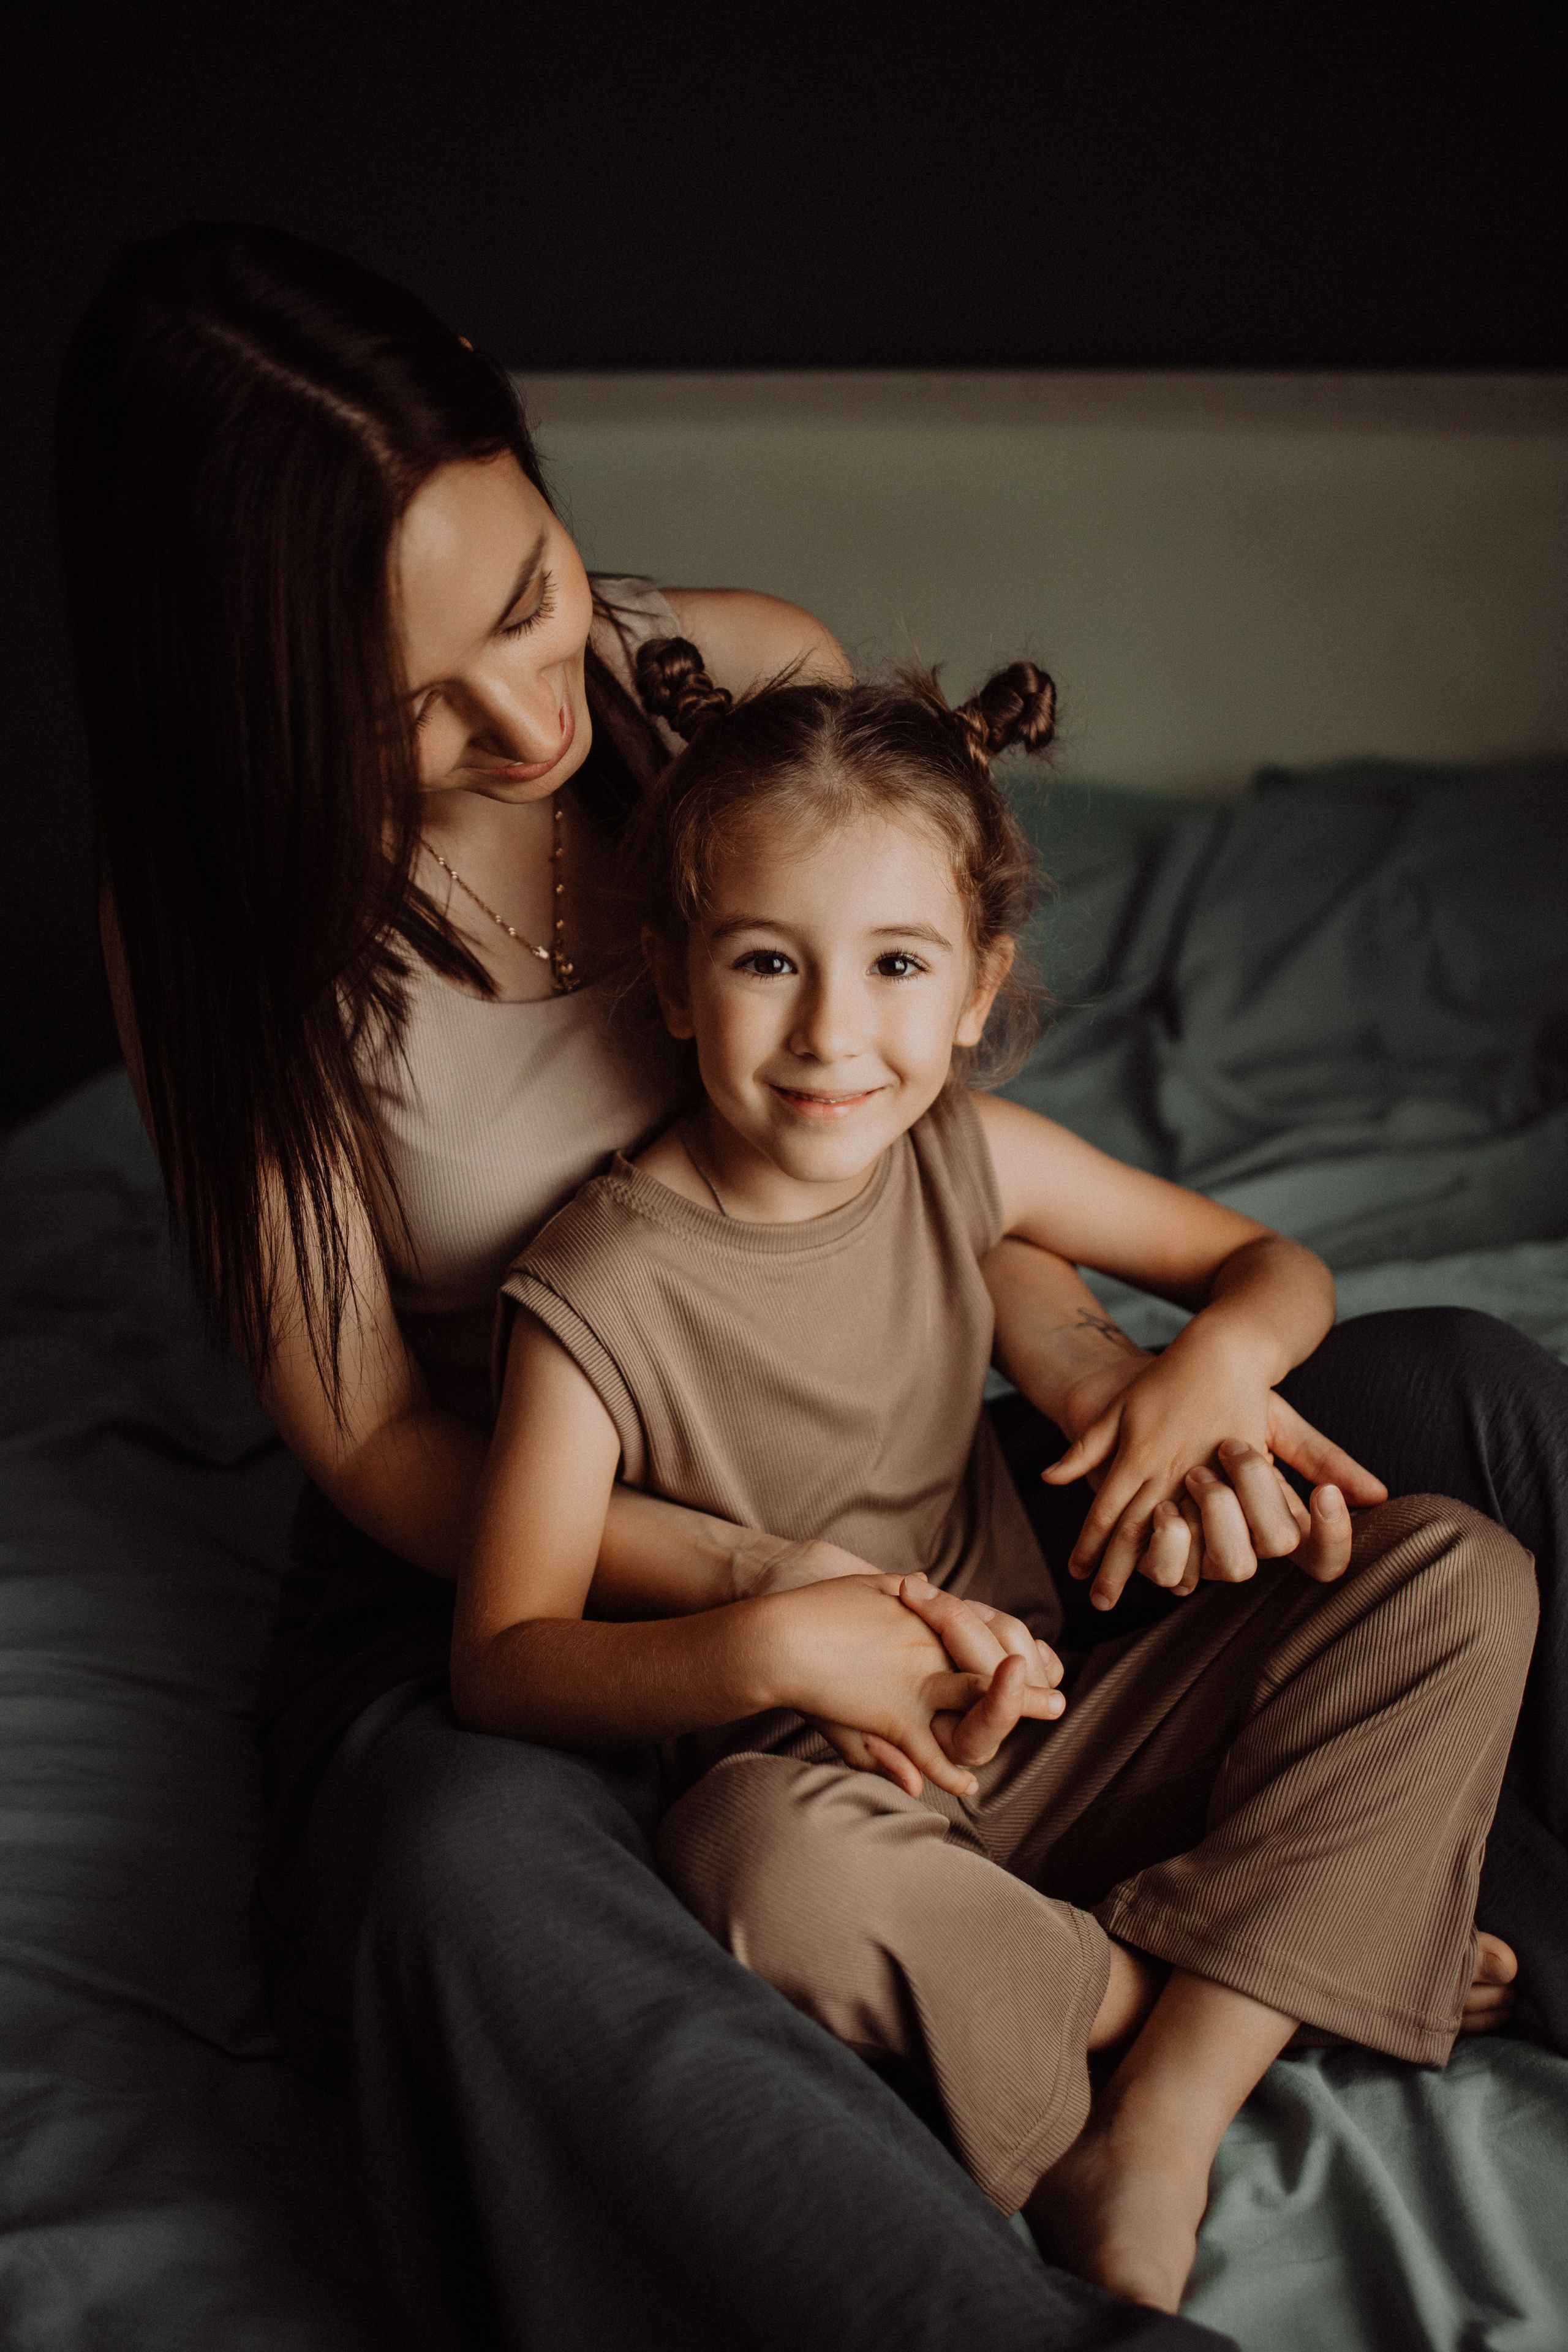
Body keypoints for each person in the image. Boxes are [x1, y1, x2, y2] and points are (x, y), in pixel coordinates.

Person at [53, 217, 1565, 2348]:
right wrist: (775, 1600)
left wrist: (1127, 1382)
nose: (524, 723)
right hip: (531, 1556)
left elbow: (954, 1199)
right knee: (453, 1881)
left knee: (1462, 1419)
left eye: (528, 603)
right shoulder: (219, 932)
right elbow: (386, 1436)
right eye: (412, 712)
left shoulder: (746, 679)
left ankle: (1332, 1930)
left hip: (916, 1453)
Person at [464, 645, 1537, 2315]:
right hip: (849, 1807)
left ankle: (1162, 2118)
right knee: (749, 1865)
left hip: (1070, 1735)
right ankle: (1191, 1990)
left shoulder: (966, 1154)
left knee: (1458, 1574)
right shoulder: (599, 1284)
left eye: (898, 965)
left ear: (976, 990)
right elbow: (502, 1651)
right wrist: (767, 1645)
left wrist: (1204, 1373)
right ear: (672, 981)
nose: (836, 1032)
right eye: (768, 961)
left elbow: (1271, 1265)